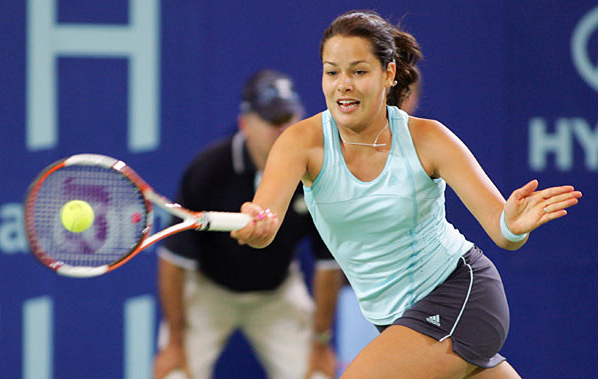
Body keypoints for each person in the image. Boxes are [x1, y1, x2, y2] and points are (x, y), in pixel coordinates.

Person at [231, 10, 582, 379]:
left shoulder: (429, 139)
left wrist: (513, 224)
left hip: (459, 294)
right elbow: (264, 224)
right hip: (399, 320)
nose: (343, 85)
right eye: (332, 72)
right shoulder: (299, 143)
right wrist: (255, 228)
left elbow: (502, 232)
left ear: (389, 74)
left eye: (359, 71)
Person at [152, 69, 343, 379]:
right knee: (173, 374)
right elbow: (174, 262)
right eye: (272, 121)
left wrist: (321, 343)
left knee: (318, 376)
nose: (283, 130)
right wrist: (174, 343)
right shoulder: (209, 169)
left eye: (289, 119)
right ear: (246, 124)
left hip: (277, 295)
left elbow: (328, 265)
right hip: (209, 292)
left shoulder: (316, 172)